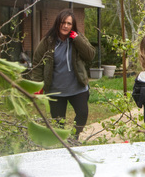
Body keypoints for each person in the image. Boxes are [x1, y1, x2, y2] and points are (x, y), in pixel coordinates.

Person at [31, 9, 96, 142]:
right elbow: (37, 62)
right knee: (58, 123)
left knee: (82, 114)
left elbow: (90, 55)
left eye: (69, 23)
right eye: (63, 22)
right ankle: (62, 144)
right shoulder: (48, 42)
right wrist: (37, 84)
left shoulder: (78, 38)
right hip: (56, 90)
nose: (65, 26)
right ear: (58, 23)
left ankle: (73, 138)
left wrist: (77, 39)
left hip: (77, 88)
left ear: (73, 25)